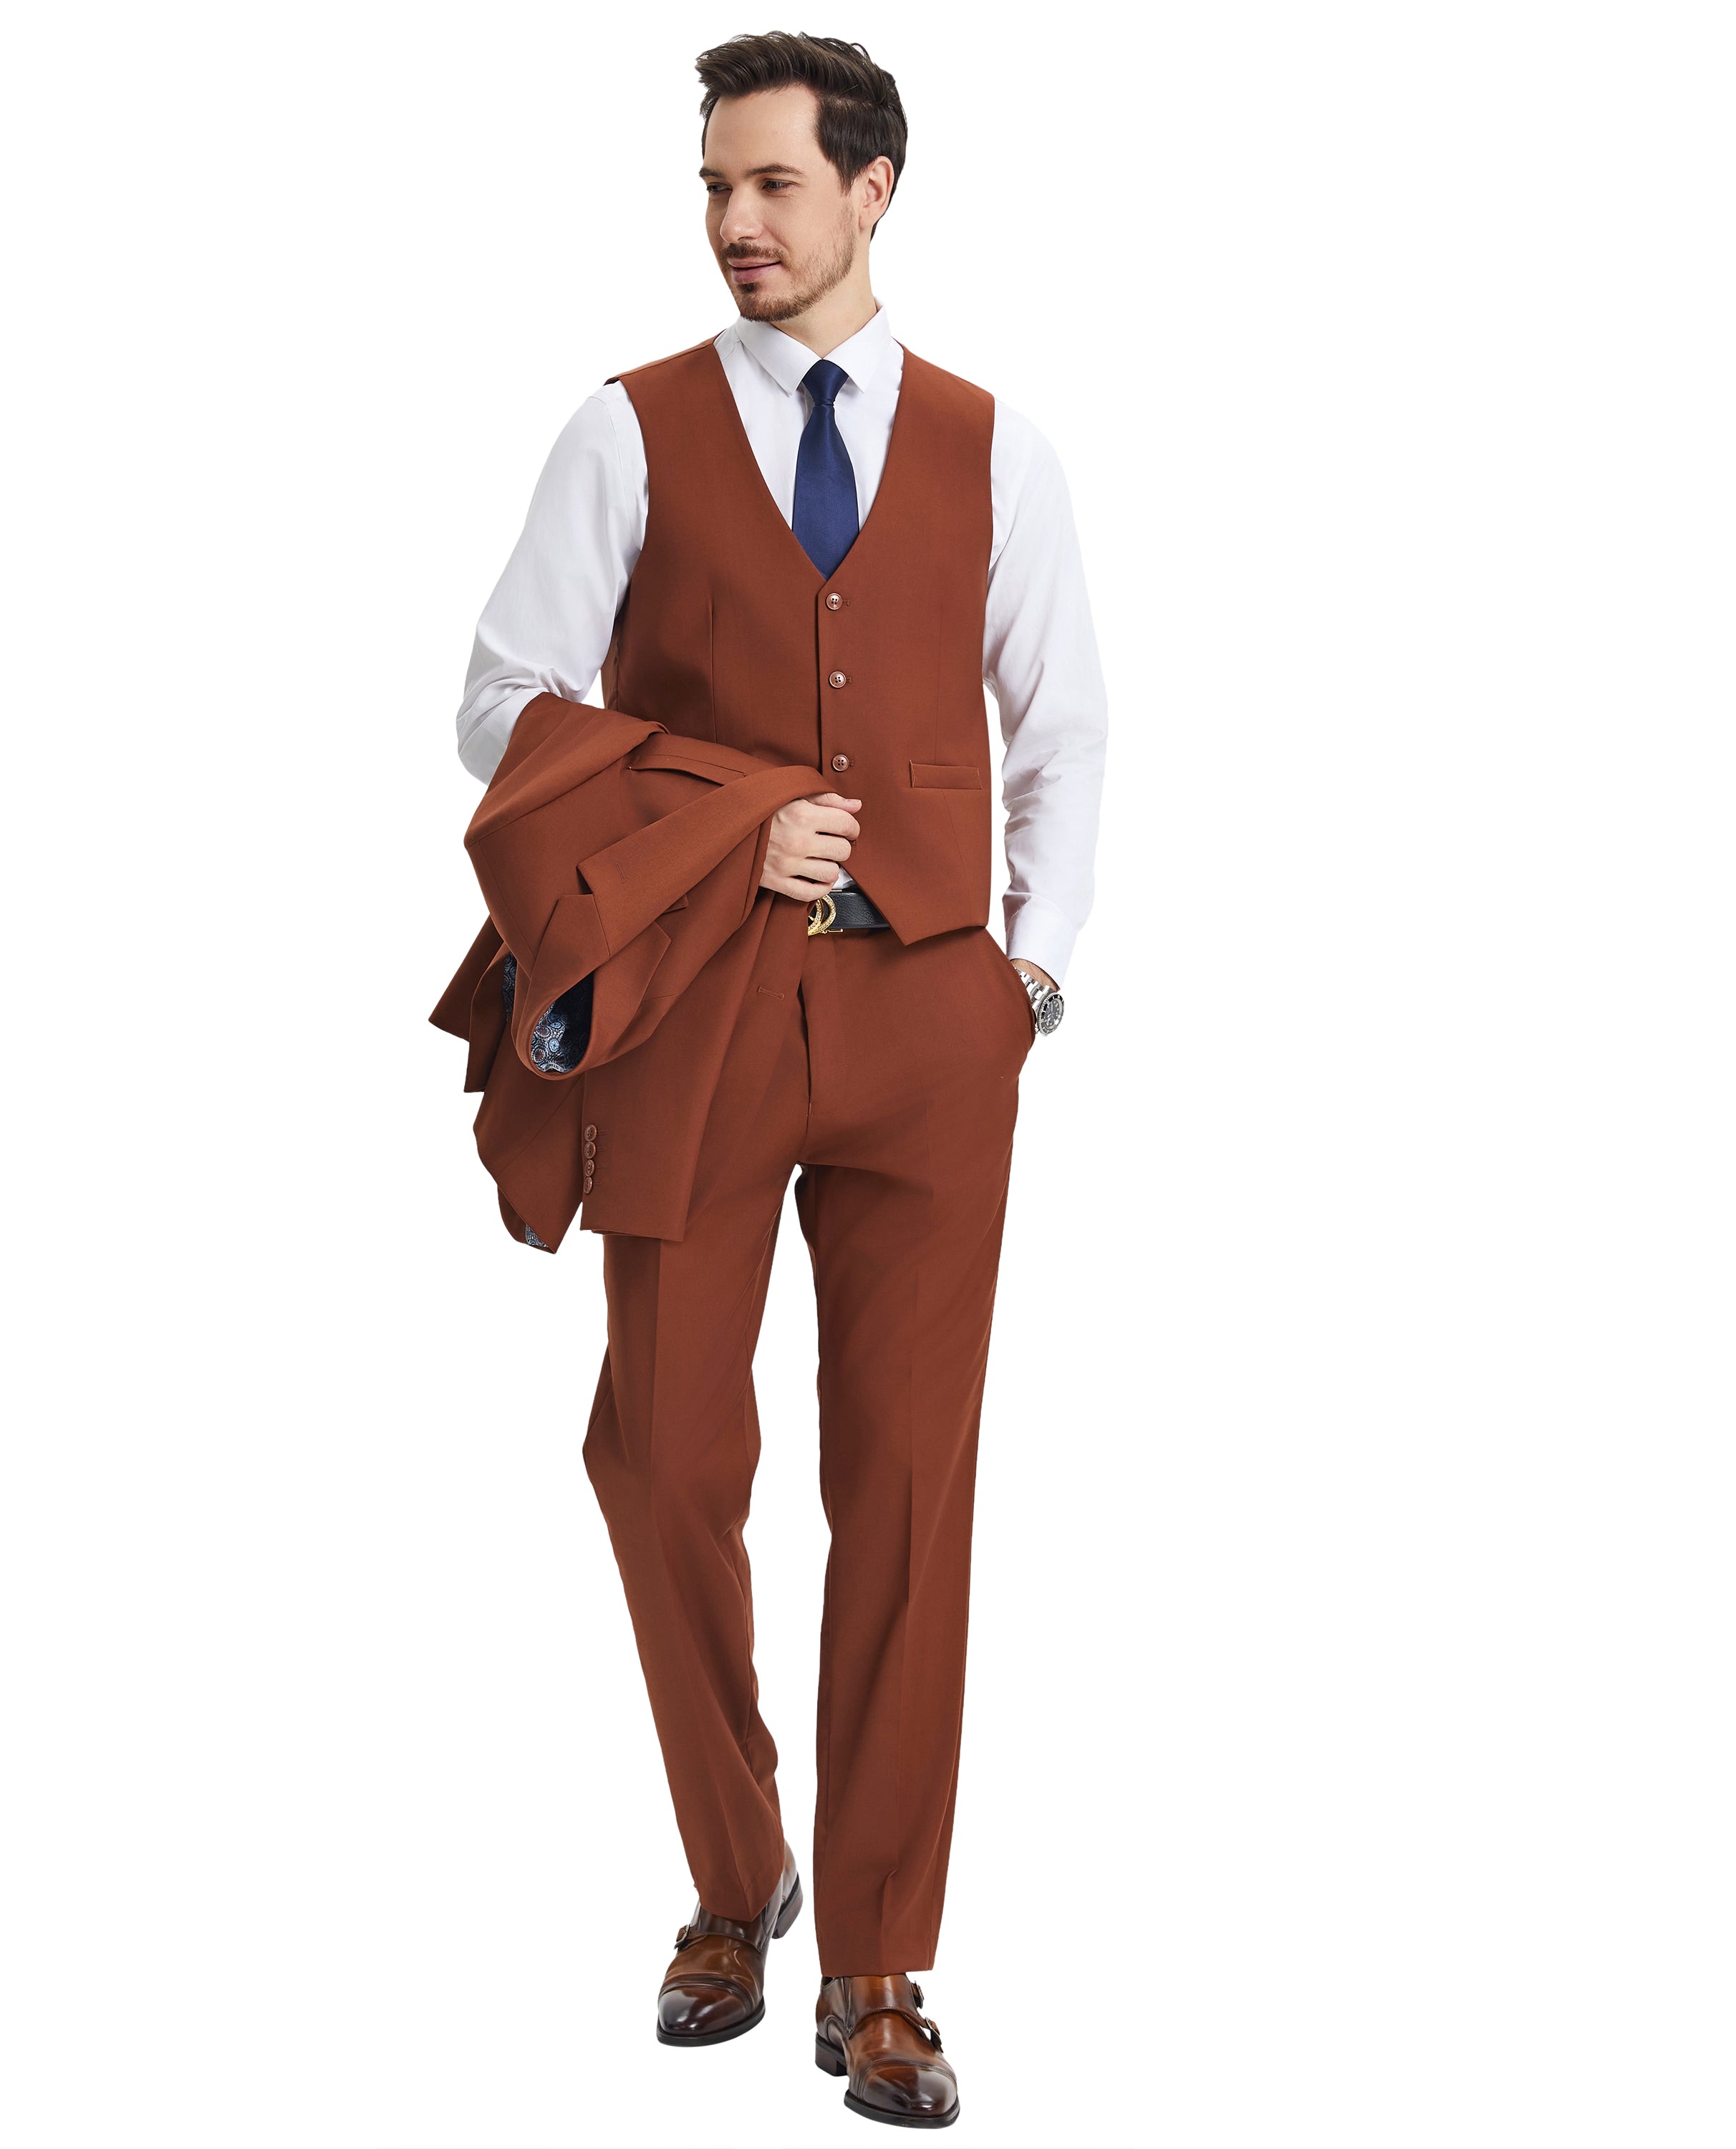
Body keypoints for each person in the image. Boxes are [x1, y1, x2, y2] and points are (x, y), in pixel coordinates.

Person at [451, 30, 1106, 2130]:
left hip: (933, 1030)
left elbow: (1063, 722)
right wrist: (728, 817)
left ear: (873, 190)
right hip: (700, 1019)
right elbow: (500, 703)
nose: (737, 223)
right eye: (715, 189)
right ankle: (739, 1875)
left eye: (775, 186)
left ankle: (883, 1959)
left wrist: (1030, 974)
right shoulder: (626, 431)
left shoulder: (995, 447)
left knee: (908, 1486)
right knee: (660, 1454)